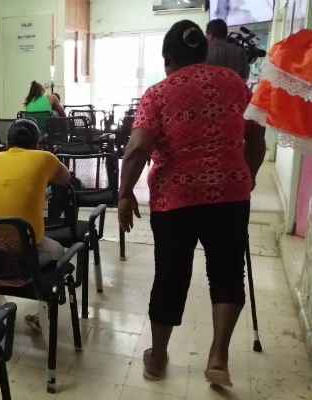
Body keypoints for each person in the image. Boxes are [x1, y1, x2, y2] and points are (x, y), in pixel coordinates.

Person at [118, 20, 265, 386]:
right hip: (230, 194)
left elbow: (137, 148)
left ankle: (157, 358)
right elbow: (257, 132)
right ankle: (218, 357)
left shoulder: (158, 92)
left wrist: (123, 194)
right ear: (205, 53)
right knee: (228, 273)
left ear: (167, 59)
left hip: (175, 199)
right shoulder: (235, 84)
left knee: (171, 274)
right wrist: (248, 173)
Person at [0, 118, 71, 331]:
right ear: (37, 144)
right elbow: (65, 178)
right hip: (22, 249)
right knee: (58, 249)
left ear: (7, 144)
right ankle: (41, 317)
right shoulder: (45, 158)